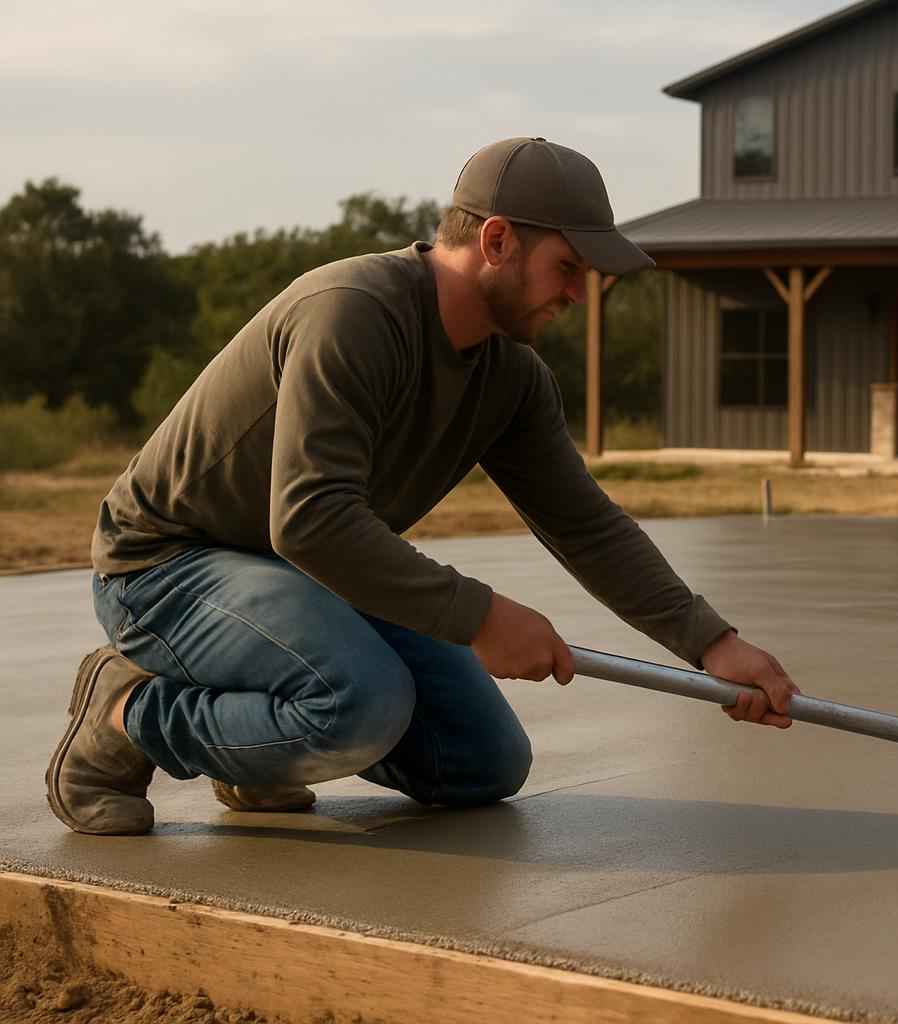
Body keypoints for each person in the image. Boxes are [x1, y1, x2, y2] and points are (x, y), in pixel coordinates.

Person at [46, 137, 800, 836]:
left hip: (302, 579)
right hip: (166, 568)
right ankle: (124, 711)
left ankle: (256, 752)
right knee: (361, 705)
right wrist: (478, 616)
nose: (578, 294)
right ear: (497, 240)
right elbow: (310, 517)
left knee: (482, 763)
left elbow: (587, 527)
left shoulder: (510, 378)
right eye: (567, 268)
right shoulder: (353, 313)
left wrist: (712, 643)